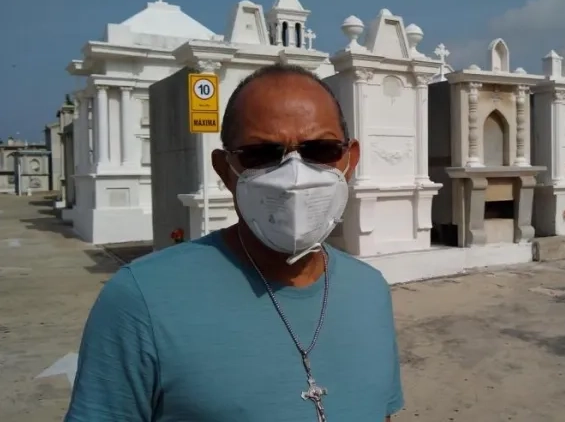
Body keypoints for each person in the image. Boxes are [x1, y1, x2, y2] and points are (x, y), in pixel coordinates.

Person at [65, 63, 404, 421]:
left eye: (320, 150)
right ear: (226, 171)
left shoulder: (370, 292)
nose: (294, 176)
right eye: (262, 154)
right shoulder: (141, 301)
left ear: (349, 160)